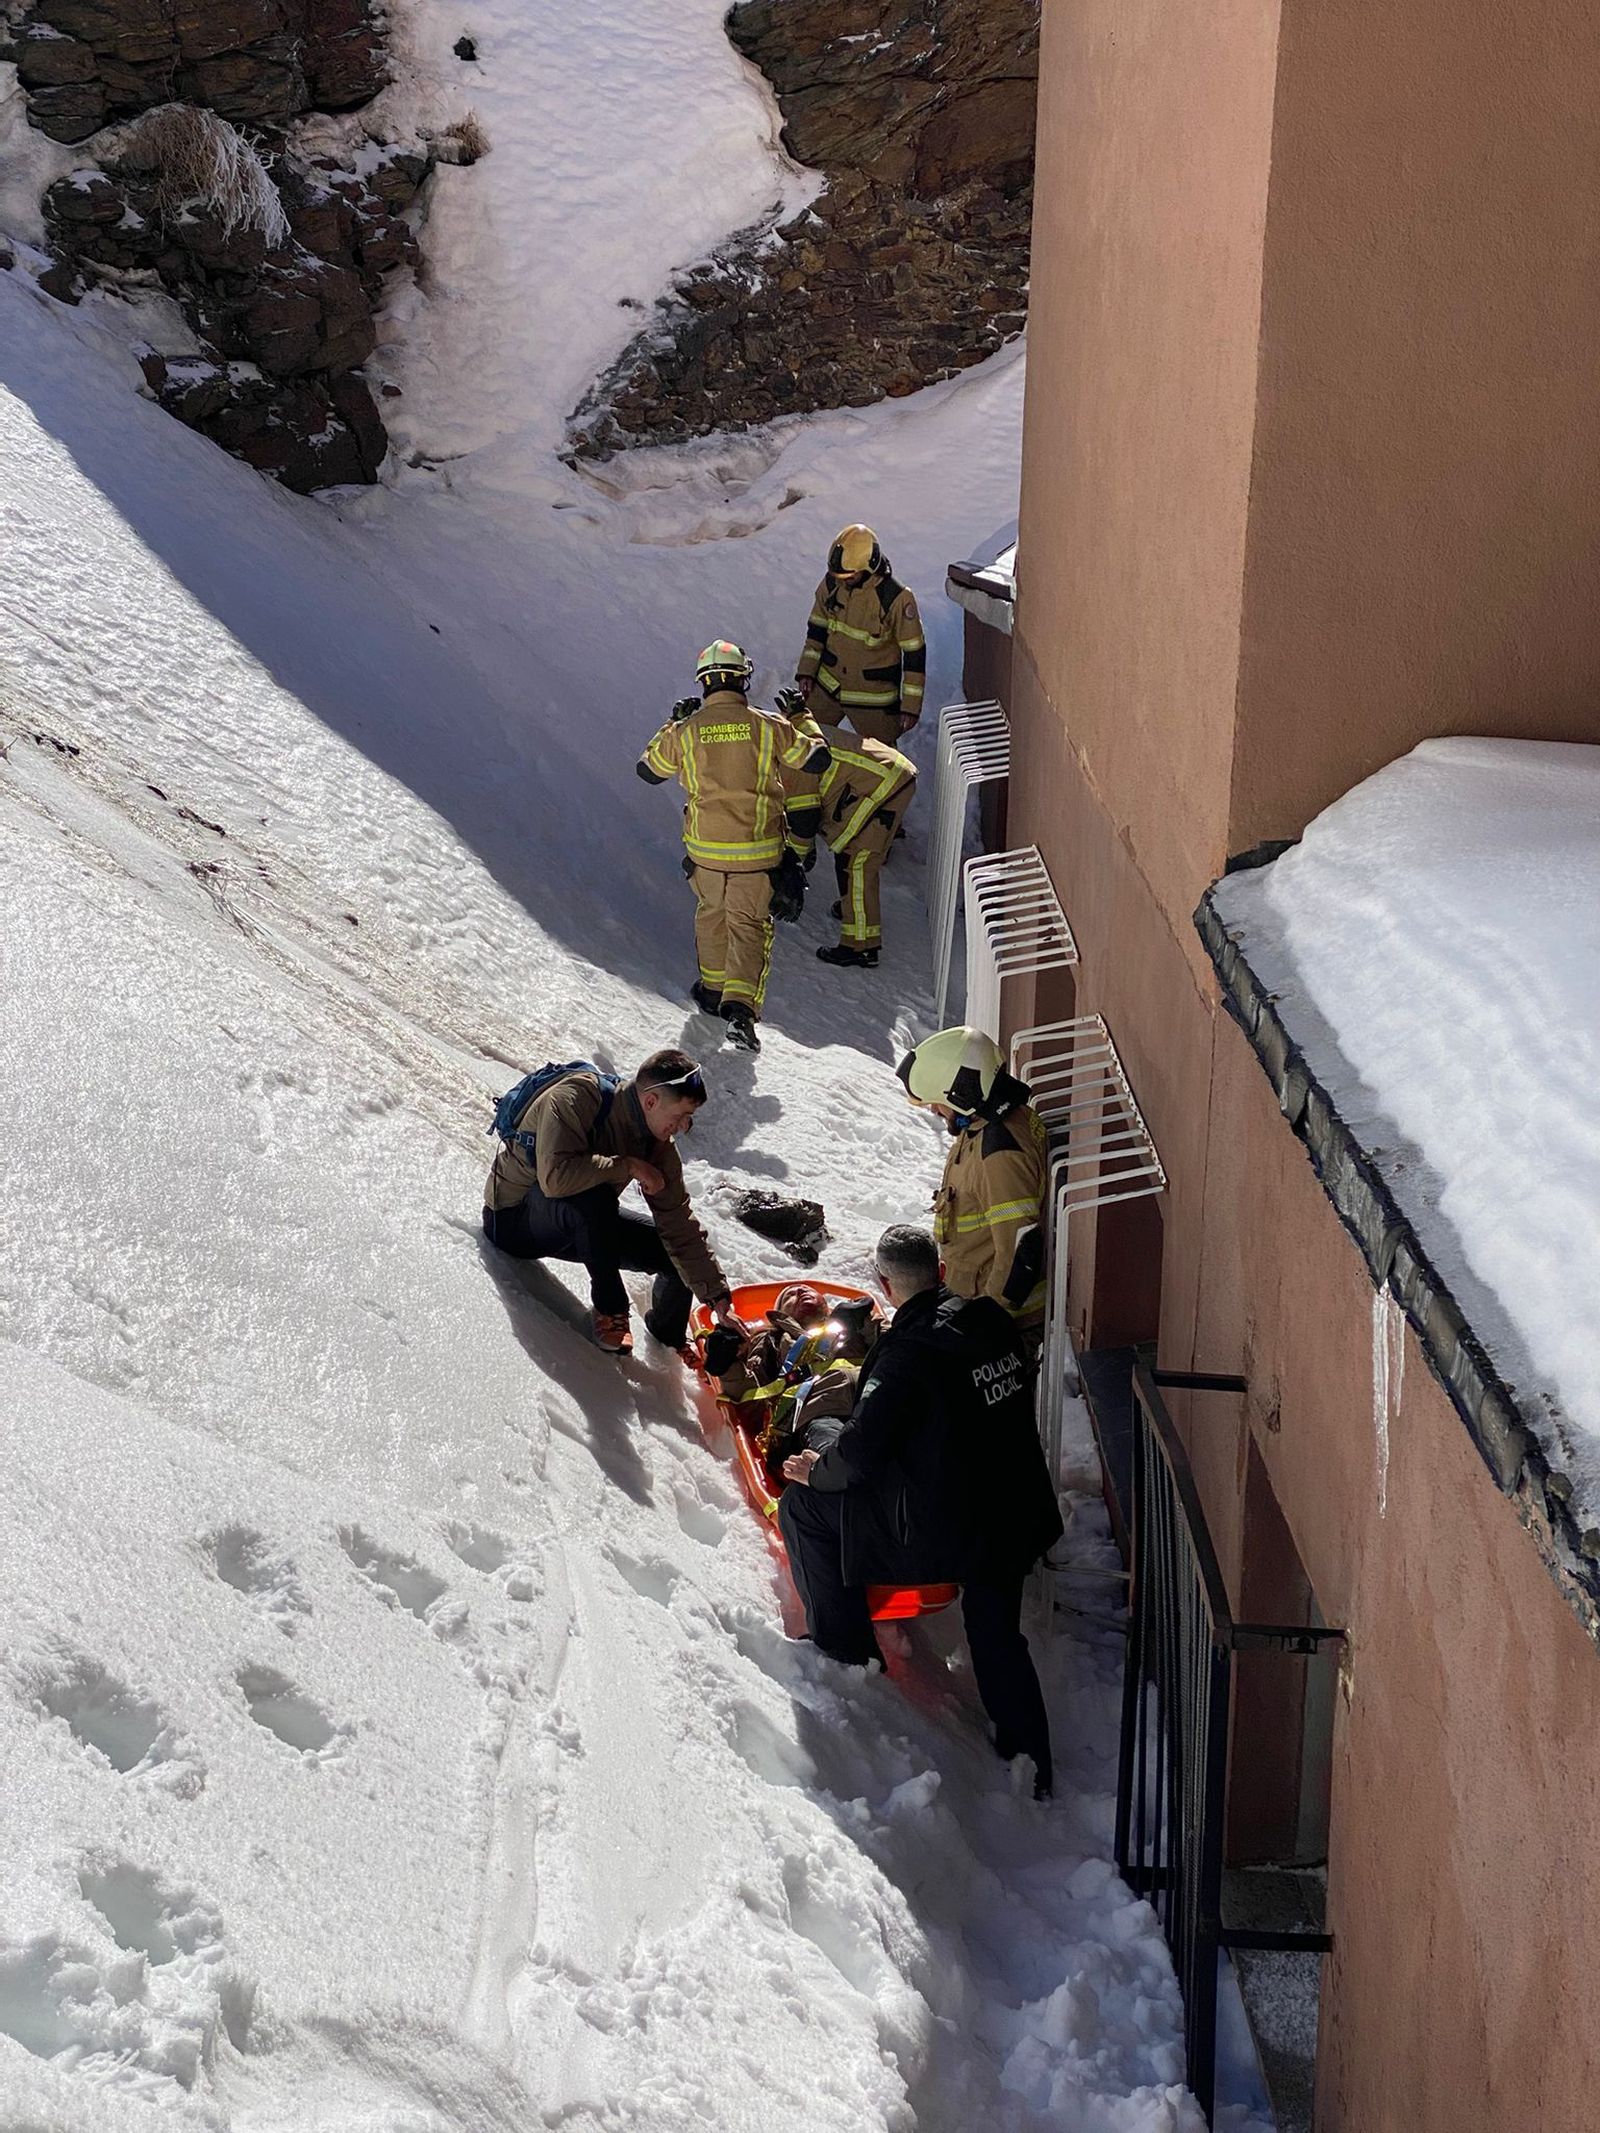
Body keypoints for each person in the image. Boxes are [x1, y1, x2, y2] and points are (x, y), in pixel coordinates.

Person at [776, 1225, 1063, 1797]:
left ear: (885, 1285)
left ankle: (845, 1651)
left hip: (951, 1523)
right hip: (1016, 1505)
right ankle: (1032, 1765)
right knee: (997, 1633)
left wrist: (818, 1472)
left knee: (803, 1506)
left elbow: (859, 1456)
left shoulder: (907, 1355)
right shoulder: (990, 1321)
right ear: (941, 1271)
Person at [637, 640, 829, 1054]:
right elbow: (817, 760)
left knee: (711, 917)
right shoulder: (767, 726)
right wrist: (802, 717)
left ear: (703, 683)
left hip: (704, 855)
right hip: (757, 855)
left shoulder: (686, 732)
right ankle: (740, 1012)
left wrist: (672, 723)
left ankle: (711, 991)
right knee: (749, 927)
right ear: (744, 679)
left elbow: (648, 770)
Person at [482, 1049, 735, 1355]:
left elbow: (678, 1223)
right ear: (651, 1101)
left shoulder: (657, 1144)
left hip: (582, 1225)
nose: (683, 1127)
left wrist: (718, 1297)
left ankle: (669, 1339)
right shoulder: (575, 1098)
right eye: (680, 1116)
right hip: (512, 1220)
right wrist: (627, 1165)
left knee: (670, 1250)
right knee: (595, 1197)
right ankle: (611, 1311)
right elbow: (556, 1178)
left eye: (688, 1119)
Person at [896, 1025, 1048, 1330]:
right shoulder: (979, 1126)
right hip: (967, 1301)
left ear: (961, 1093)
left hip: (1002, 1322)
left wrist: (980, 1329)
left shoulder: (999, 1154)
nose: (935, 1110)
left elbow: (1018, 1252)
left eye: (937, 1101)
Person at [782, 724, 917, 969]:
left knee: (856, 862)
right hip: (883, 776)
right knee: (855, 860)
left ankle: (860, 947)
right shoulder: (787, 737)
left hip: (882, 784)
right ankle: (854, 909)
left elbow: (804, 819)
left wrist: (792, 865)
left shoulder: (790, 762)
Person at [794, 525, 926, 745]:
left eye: (849, 576)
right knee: (802, 742)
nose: (843, 580)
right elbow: (816, 631)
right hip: (829, 687)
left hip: (873, 699)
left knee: (883, 758)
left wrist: (911, 706)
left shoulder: (896, 598)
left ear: (869, 566)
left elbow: (915, 654)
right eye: (839, 575)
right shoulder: (832, 583)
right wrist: (807, 672)